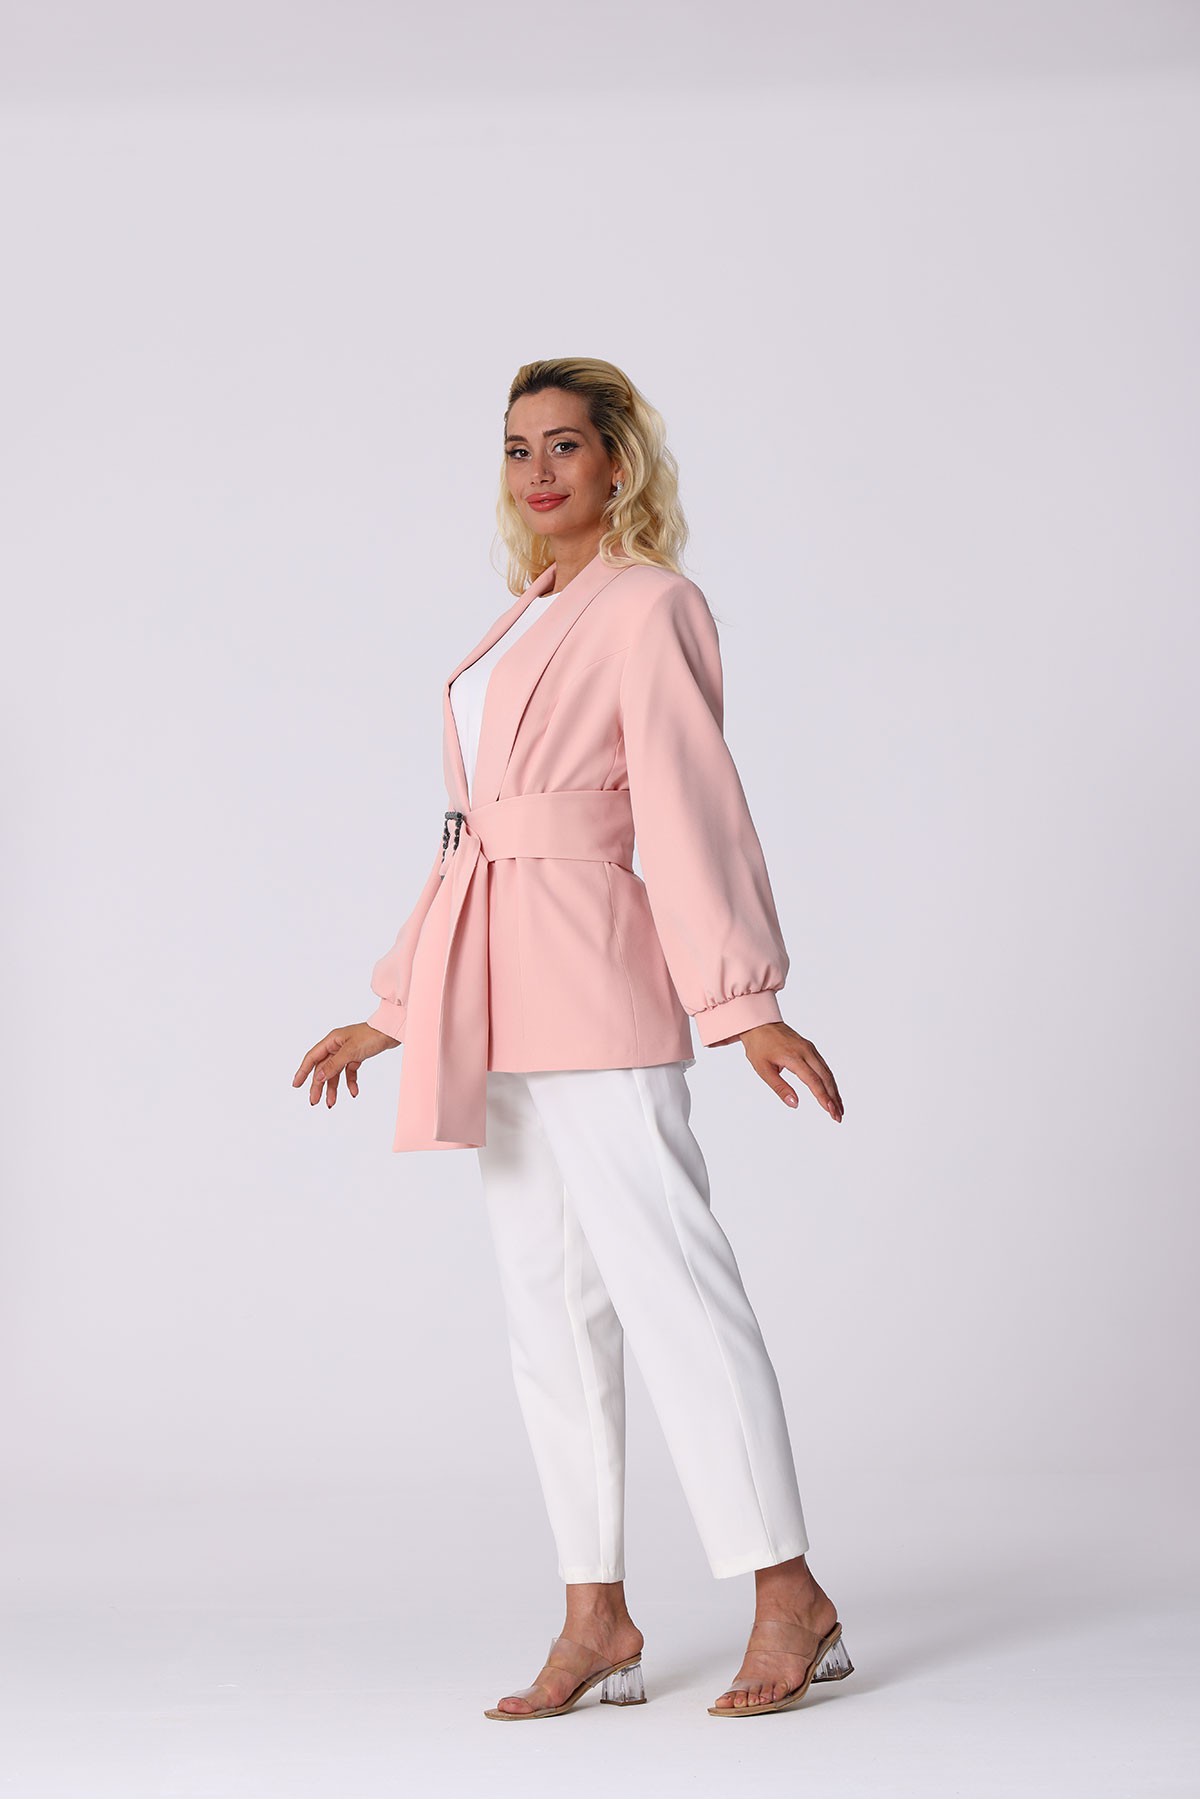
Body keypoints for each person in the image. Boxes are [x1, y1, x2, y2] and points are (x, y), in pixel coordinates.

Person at [293, 357, 851, 1720]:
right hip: (493, 997)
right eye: (516, 448)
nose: (538, 471)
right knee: (549, 1313)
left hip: (597, 983)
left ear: (618, 463)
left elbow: (690, 801)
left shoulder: (651, 605)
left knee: (674, 1288)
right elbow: (469, 843)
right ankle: (595, 1616)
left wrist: (745, 1000)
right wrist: (399, 1004)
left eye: (565, 445)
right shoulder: (523, 619)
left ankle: (789, 1593)